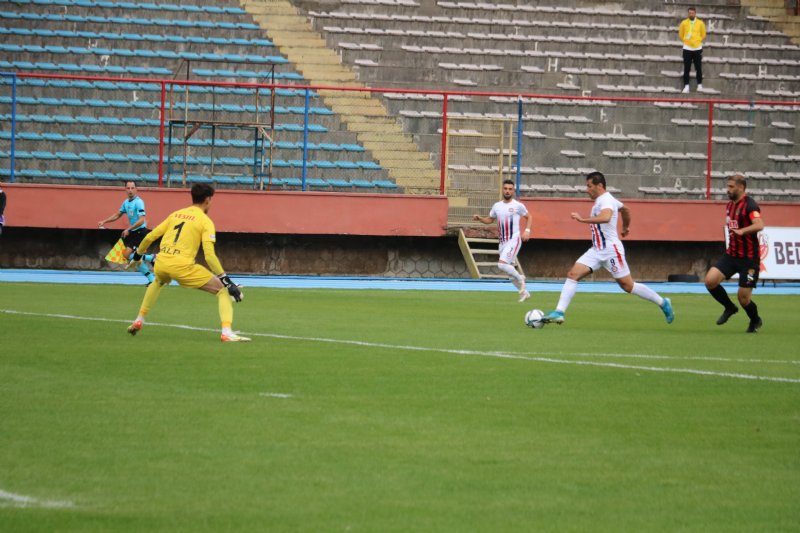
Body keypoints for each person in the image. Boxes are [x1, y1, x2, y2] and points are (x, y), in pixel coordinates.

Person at [543, 172, 674, 325]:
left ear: (599, 186)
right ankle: (559, 312)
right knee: (573, 274)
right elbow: (626, 210)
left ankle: (663, 302)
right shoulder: (608, 199)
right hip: (597, 249)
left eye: (589, 186)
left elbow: (605, 217)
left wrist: (582, 219)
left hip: (611, 251)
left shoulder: (606, 200)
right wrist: (625, 227)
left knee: (627, 285)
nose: (587, 189)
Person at [126, 183, 250, 342]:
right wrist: (228, 282)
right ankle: (227, 332)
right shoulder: (205, 221)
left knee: (158, 281)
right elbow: (210, 256)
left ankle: (139, 320)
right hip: (182, 266)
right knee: (223, 291)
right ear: (207, 200)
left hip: (162, 262)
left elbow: (150, 237)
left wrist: (137, 257)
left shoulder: (176, 214)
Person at [704, 174, 764, 333]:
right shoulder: (730, 205)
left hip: (750, 260)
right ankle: (729, 308)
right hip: (731, 255)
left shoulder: (750, 205)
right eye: (727, 186)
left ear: (741, 188)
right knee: (710, 281)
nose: (727, 189)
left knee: (744, 298)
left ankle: (755, 320)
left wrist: (742, 231)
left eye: (731, 187)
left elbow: (759, 224)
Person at [473, 179, 532, 302]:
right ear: (502, 190)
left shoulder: (517, 206)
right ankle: (524, 293)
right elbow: (490, 219)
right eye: (505, 188)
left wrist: (527, 230)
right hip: (502, 242)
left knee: (501, 264)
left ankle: (521, 278)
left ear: (513, 191)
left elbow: (529, 216)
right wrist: (480, 219)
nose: (507, 191)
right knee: (509, 273)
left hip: (514, 239)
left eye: (510, 189)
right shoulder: (497, 206)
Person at [98, 181, 155, 285]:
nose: (130, 190)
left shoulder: (139, 202)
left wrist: (128, 229)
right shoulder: (126, 202)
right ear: (125, 189)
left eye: (132, 188)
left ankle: (151, 260)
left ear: (136, 189)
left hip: (140, 232)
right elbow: (117, 214)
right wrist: (104, 221)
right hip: (133, 232)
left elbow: (142, 220)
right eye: (128, 188)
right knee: (130, 257)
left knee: (129, 255)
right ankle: (151, 276)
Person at [679, 6, 706, 93]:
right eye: (690, 13)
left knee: (698, 67)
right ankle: (686, 86)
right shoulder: (683, 23)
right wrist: (687, 41)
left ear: (695, 13)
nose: (691, 14)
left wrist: (697, 41)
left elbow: (703, 34)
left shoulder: (700, 23)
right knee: (687, 68)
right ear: (688, 13)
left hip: (697, 48)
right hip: (687, 48)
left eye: (693, 13)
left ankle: (699, 85)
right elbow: (681, 34)